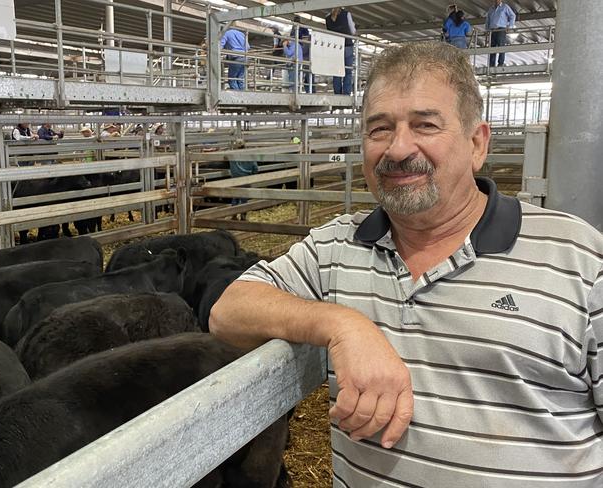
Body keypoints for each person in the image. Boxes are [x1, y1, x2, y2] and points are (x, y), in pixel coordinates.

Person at [210, 41, 603, 487]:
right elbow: (228, 312)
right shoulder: (338, 245)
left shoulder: (579, 260)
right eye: (379, 129)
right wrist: (344, 326)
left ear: (477, 144)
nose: (398, 149)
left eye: (425, 125)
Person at [325, 7, 356, 95]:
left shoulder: (327, 17)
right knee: (348, 71)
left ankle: (337, 93)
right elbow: (353, 31)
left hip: (336, 47)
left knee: (336, 71)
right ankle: (346, 93)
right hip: (347, 45)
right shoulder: (346, 14)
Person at [228, 140, 258, 220]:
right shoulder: (249, 155)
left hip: (235, 180)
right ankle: (243, 216)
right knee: (244, 199)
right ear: (244, 146)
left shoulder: (232, 155)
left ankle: (233, 215)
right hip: (246, 179)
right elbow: (255, 168)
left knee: (235, 197)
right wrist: (252, 175)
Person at [485, 0, 516, 67]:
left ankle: (500, 63)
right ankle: (491, 64)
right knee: (492, 48)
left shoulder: (505, 7)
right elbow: (487, 20)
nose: (496, 1)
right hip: (492, 30)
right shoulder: (491, 9)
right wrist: (487, 30)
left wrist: (510, 26)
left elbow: (512, 15)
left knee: (501, 46)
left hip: (501, 29)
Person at [291, 16, 314, 93]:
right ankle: (309, 91)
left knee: (305, 74)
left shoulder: (296, 28)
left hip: (303, 53)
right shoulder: (297, 28)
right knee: (305, 74)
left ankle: (310, 91)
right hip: (302, 53)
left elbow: (304, 40)